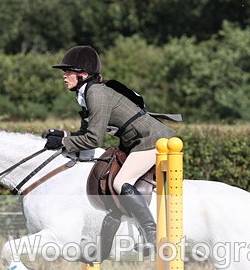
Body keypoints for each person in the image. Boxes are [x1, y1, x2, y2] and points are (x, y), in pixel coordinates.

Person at [44, 45, 178, 255]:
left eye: (68, 71)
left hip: (151, 140)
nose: (64, 76)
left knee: (120, 182)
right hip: (136, 142)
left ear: (83, 75)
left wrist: (63, 143)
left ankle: (152, 234)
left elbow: (94, 139)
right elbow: (85, 132)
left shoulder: (95, 93)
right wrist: (63, 135)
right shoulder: (88, 92)